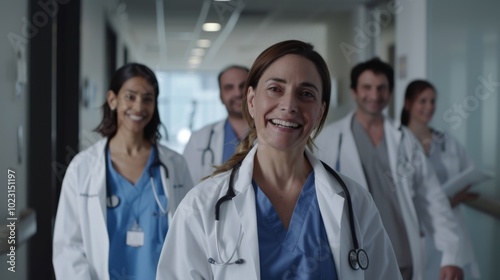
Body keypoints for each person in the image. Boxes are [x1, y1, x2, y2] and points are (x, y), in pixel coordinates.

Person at [156, 40, 402, 279]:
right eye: (275, 89)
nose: (289, 105)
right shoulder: (200, 207)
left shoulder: (355, 202)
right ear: (252, 101)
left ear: (320, 112)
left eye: (306, 94)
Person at [315, 58, 464, 280]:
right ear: (354, 91)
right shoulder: (329, 138)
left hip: (401, 253)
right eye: (367, 87)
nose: (374, 95)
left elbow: (432, 198)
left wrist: (451, 253)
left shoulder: (405, 139)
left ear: (390, 92)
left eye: (381, 88)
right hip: (352, 251)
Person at [53, 63, 193, 280]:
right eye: (130, 96)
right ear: (112, 99)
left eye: (147, 98)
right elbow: (68, 245)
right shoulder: (82, 168)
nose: (138, 107)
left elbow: (190, 234)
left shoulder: (175, 165)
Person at [401, 79, 480, 279]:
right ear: (408, 103)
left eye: (432, 101)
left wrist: (457, 197)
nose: (429, 107)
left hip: (452, 224)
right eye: (423, 101)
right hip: (418, 231)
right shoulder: (398, 143)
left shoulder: (445, 140)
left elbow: (469, 171)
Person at [183, 65, 249, 183]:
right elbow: (189, 184)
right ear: (220, 96)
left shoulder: (271, 133)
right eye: (229, 87)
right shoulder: (199, 139)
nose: (238, 93)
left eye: (243, 86)